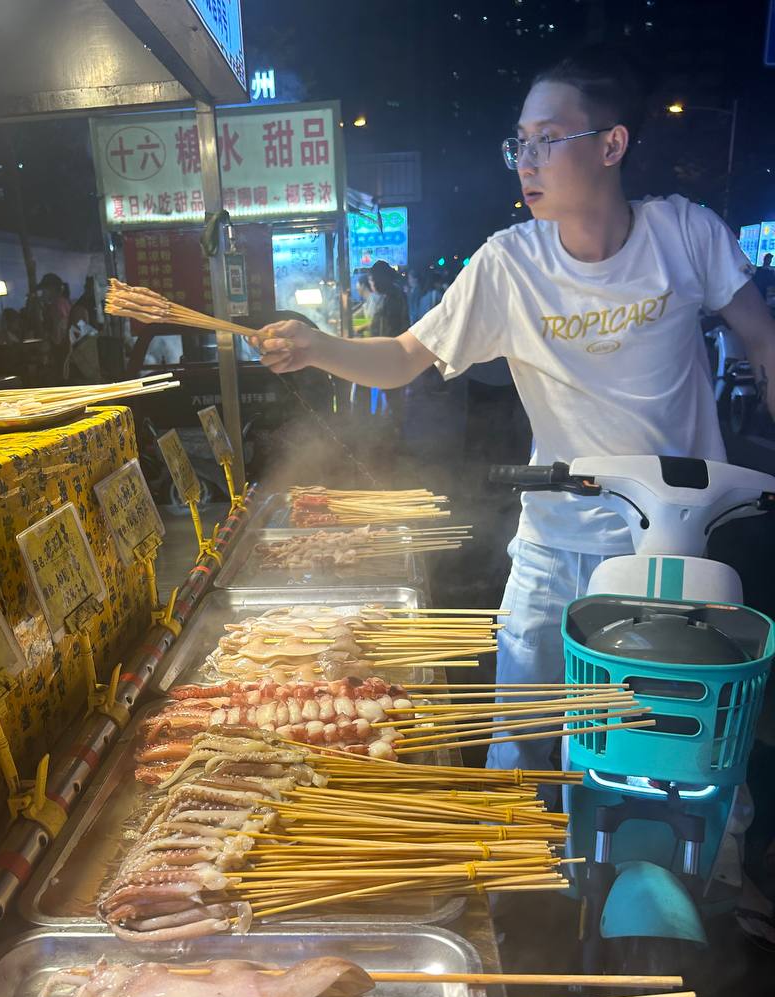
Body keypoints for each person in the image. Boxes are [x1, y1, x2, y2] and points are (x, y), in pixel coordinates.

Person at [256, 45, 775, 776]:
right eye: (518, 144)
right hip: (553, 541)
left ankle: (675, 865)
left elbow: (762, 338)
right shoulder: (510, 263)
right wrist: (317, 347)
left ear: (610, 144)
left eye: (545, 140)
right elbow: (406, 357)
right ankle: (519, 888)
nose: (525, 160)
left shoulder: (684, 235)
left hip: (669, 543)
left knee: (659, 738)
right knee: (522, 734)